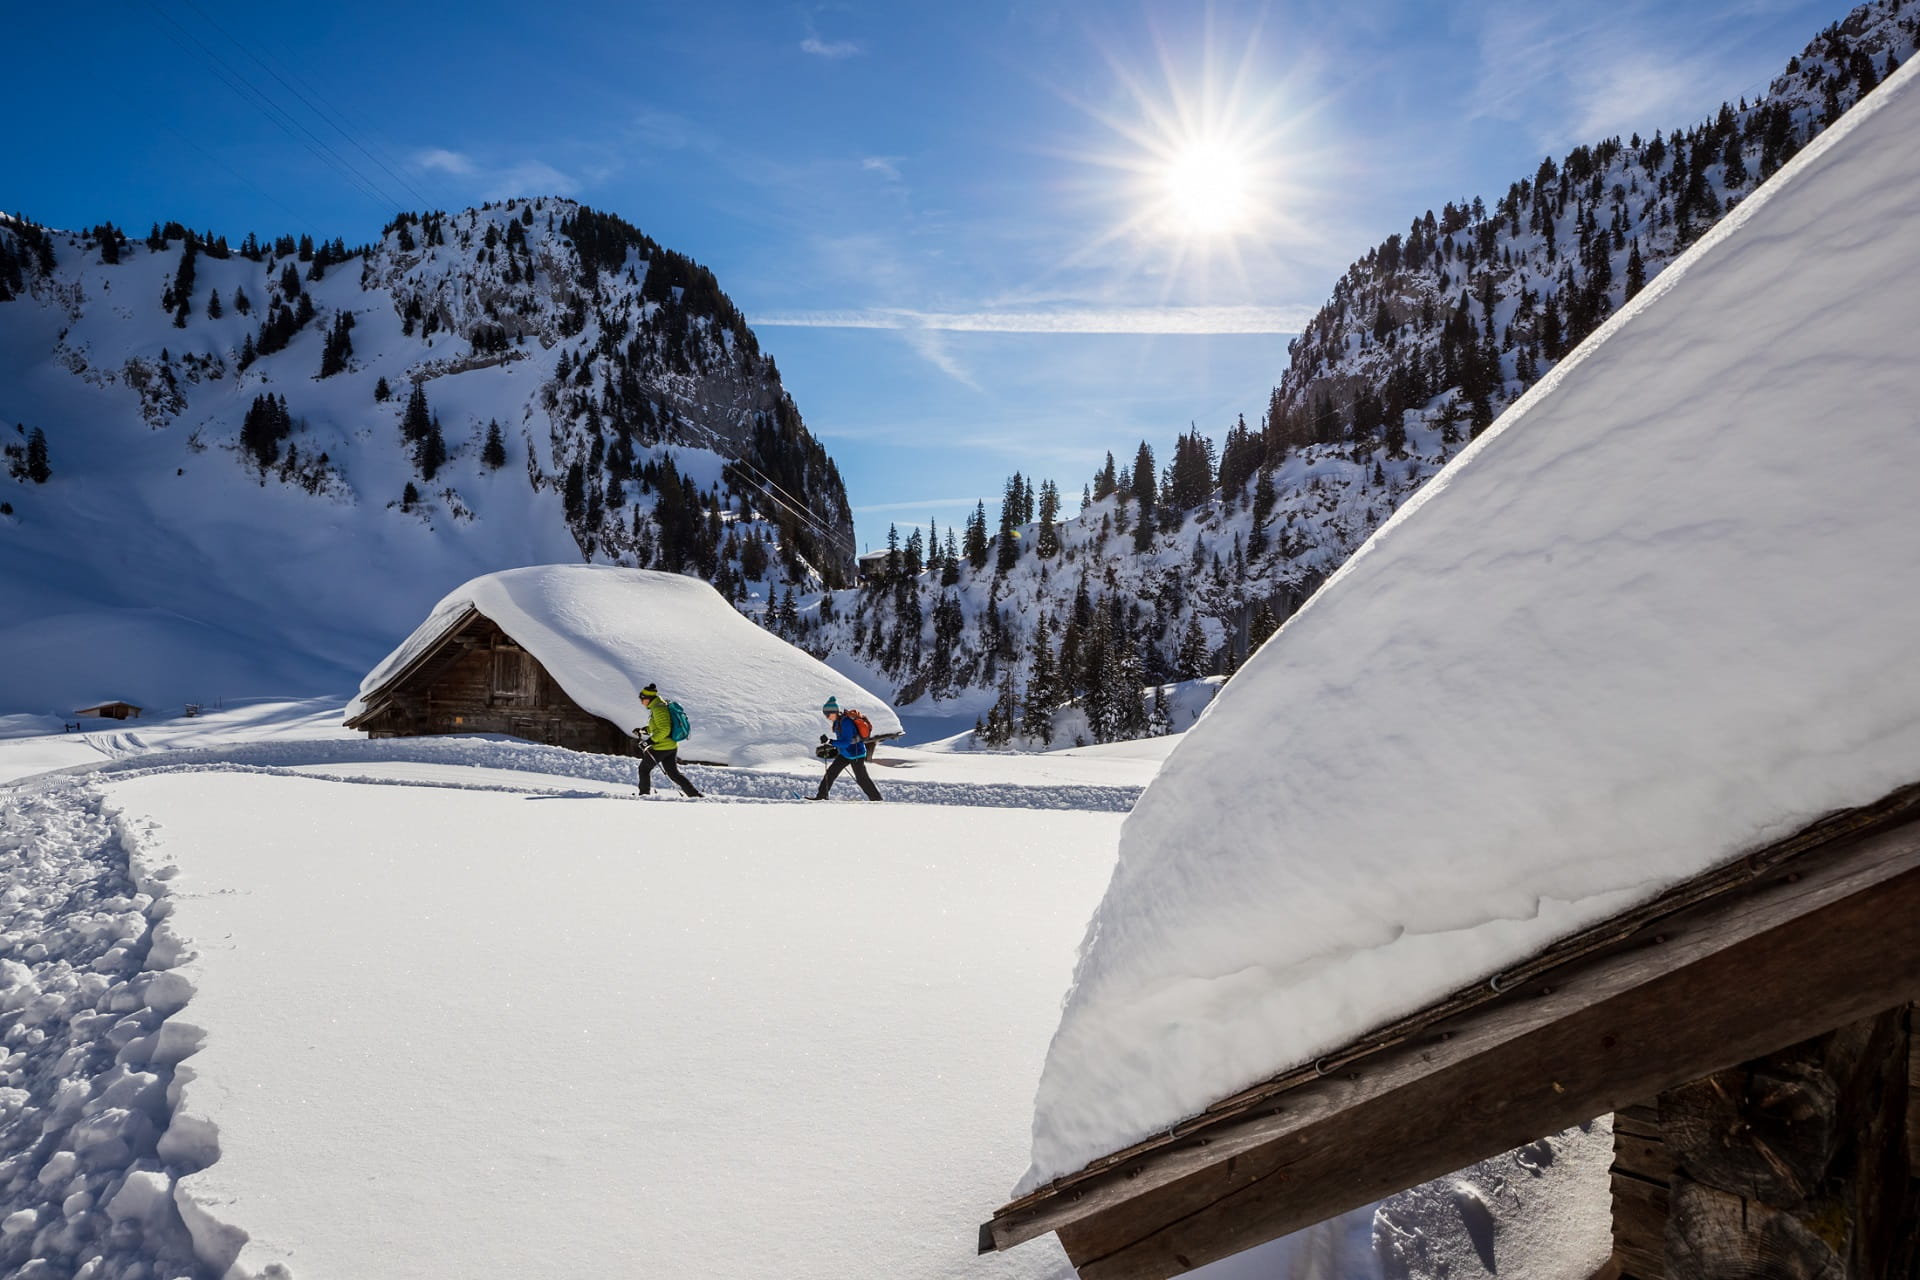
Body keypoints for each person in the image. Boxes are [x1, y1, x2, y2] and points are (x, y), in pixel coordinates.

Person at [633, 684, 700, 797]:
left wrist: (649, 742)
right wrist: (643, 730)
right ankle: (695, 795)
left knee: (644, 769)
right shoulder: (659, 706)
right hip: (670, 746)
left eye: (642, 699)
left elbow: (664, 729)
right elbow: (658, 727)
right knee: (674, 774)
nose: (641, 702)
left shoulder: (658, 709)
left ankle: (644, 795)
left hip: (662, 747)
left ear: (648, 699)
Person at [813, 696, 881, 802]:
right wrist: (831, 744)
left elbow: (845, 742)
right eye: (825, 715)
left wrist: (830, 741)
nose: (827, 717)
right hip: (845, 754)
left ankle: (877, 800)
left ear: (835, 712)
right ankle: (821, 796)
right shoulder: (837, 722)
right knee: (831, 773)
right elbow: (843, 741)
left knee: (862, 779)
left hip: (856, 754)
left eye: (828, 714)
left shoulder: (846, 723)